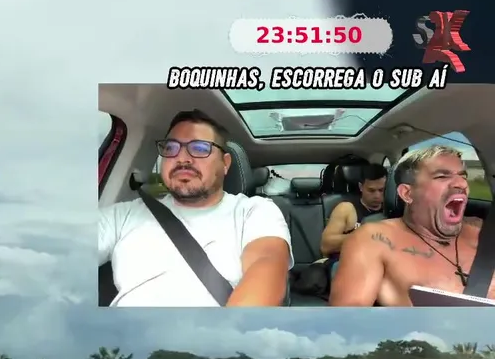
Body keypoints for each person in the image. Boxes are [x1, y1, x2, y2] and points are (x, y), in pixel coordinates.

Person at [98, 110, 292, 306]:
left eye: (199, 148)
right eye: (171, 148)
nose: (182, 159)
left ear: (225, 164)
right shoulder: (123, 215)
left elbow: (266, 264)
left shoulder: (253, 211)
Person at [329, 145, 488, 306]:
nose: (461, 183)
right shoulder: (374, 239)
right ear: (407, 193)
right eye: (442, 176)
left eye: (463, 176)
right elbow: (348, 317)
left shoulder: (483, 232)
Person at [318, 163, 387, 276]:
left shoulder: (392, 211)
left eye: (381, 190)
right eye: (371, 190)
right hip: (347, 264)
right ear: (361, 187)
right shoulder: (346, 209)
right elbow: (326, 245)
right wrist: (364, 236)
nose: (377, 196)